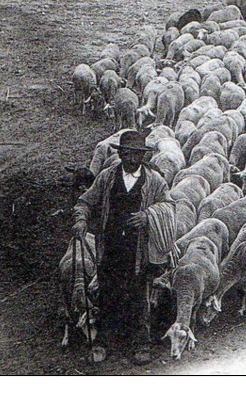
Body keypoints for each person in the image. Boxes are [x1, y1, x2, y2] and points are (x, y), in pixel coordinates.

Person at [72, 129, 174, 364]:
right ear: (120, 153)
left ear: (143, 156)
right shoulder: (107, 177)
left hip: (139, 249)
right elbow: (86, 201)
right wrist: (81, 219)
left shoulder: (155, 181)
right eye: (126, 154)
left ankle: (140, 344)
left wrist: (148, 215)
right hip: (110, 245)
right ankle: (102, 342)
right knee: (108, 292)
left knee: (139, 295)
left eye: (136, 154)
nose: (130, 159)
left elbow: (169, 206)